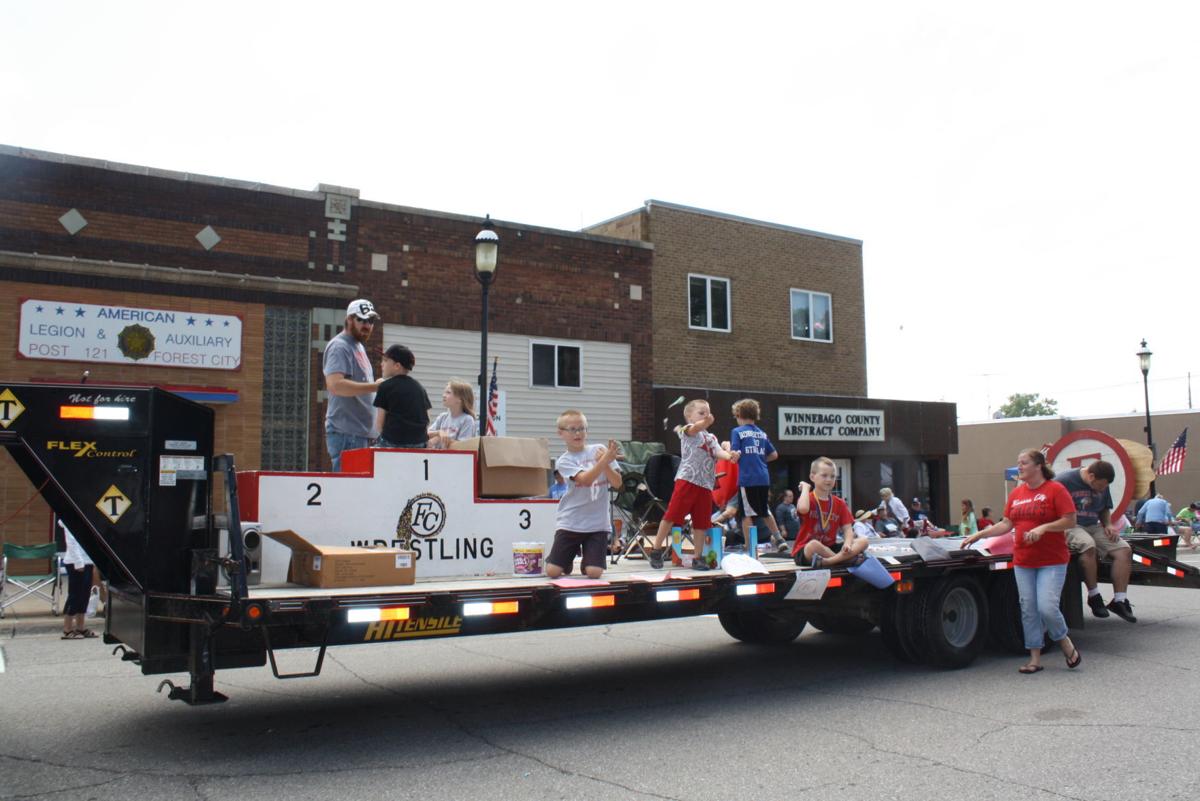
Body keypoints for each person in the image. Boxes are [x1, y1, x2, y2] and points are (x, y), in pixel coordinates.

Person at [963, 448, 1080, 674]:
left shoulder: (1055, 489)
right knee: (1028, 608)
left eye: (1024, 463)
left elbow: (1070, 520)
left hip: (1052, 560)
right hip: (1024, 560)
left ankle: (1063, 640)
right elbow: (1007, 523)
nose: (1020, 467)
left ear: (1038, 466)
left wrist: (1044, 527)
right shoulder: (1017, 494)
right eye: (1018, 463)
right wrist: (979, 535)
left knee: (1046, 607)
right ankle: (1034, 658)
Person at [648, 399, 738, 570]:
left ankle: (698, 557)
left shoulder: (711, 437)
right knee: (672, 515)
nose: (706, 415)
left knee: (702, 522)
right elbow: (695, 428)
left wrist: (730, 456)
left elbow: (718, 452)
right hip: (687, 480)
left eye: (707, 412)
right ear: (689, 417)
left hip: (705, 484)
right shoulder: (687, 430)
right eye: (701, 413)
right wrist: (705, 421)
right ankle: (657, 549)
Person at [545, 410, 622, 579]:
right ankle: (566, 559)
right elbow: (585, 480)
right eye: (572, 429)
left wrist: (607, 463)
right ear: (561, 433)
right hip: (571, 521)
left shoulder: (600, 450)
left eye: (582, 428)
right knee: (553, 572)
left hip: (597, 524)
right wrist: (604, 460)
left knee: (594, 573)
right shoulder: (564, 460)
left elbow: (617, 483)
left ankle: (587, 563)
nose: (578, 433)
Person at [1059, 460, 1137, 623]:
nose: (1102, 489)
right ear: (1091, 476)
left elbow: (1104, 508)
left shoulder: (1103, 482)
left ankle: (1119, 600)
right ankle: (1094, 596)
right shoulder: (1064, 481)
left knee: (1124, 550)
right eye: (1100, 486)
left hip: (1093, 525)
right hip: (1072, 525)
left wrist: (1108, 524)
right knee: (1088, 546)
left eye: (1104, 487)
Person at [323, 299, 383, 471]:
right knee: (345, 494)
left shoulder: (358, 347)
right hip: (347, 435)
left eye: (370, 321)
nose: (367, 325)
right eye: (362, 320)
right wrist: (375, 387)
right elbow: (335, 385)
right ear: (349, 319)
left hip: (361, 435)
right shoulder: (339, 346)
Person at [728, 398, 787, 553]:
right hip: (763, 477)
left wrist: (731, 455)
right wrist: (759, 458)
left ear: (739, 414)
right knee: (764, 510)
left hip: (748, 479)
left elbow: (735, 454)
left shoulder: (737, 432)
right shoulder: (762, 434)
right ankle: (779, 539)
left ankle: (749, 545)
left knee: (746, 513)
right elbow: (774, 454)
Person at [792, 457, 869, 568]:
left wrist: (847, 543)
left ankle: (830, 562)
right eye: (824, 475)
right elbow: (803, 509)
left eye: (832, 476)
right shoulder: (808, 498)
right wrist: (805, 488)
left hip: (830, 547)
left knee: (863, 541)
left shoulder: (839, 503)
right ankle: (844, 561)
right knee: (813, 545)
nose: (829, 479)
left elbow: (848, 529)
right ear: (812, 477)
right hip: (807, 549)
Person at [373, 344, 432, 448]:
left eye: (385, 360)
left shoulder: (385, 386)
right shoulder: (420, 388)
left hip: (392, 442)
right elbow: (427, 418)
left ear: (397, 366)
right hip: (419, 443)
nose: (381, 364)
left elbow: (379, 424)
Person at [60, 525, 96, 640]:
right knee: (75, 594)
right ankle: (67, 628)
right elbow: (71, 542)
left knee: (84, 595)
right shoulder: (69, 520)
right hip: (75, 562)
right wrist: (78, 562)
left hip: (87, 561)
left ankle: (80, 627)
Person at [427, 380, 478, 449]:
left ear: (460, 399)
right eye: (444, 392)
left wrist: (438, 439)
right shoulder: (443, 417)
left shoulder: (467, 420)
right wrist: (439, 432)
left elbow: (463, 446)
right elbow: (425, 435)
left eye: (448, 392)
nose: (443, 395)